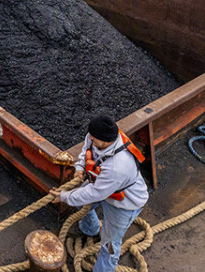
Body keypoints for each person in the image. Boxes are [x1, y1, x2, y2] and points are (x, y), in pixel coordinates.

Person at [50, 115, 148, 272]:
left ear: (106, 141)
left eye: (93, 138)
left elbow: (92, 194)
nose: (89, 138)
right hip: (103, 187)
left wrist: (63, 197)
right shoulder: (96, 136)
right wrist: (80, 168)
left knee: (109, 245)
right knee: (79, 201)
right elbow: (86, 149)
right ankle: (91, 228)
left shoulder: (118, 166)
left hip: (124, 205)